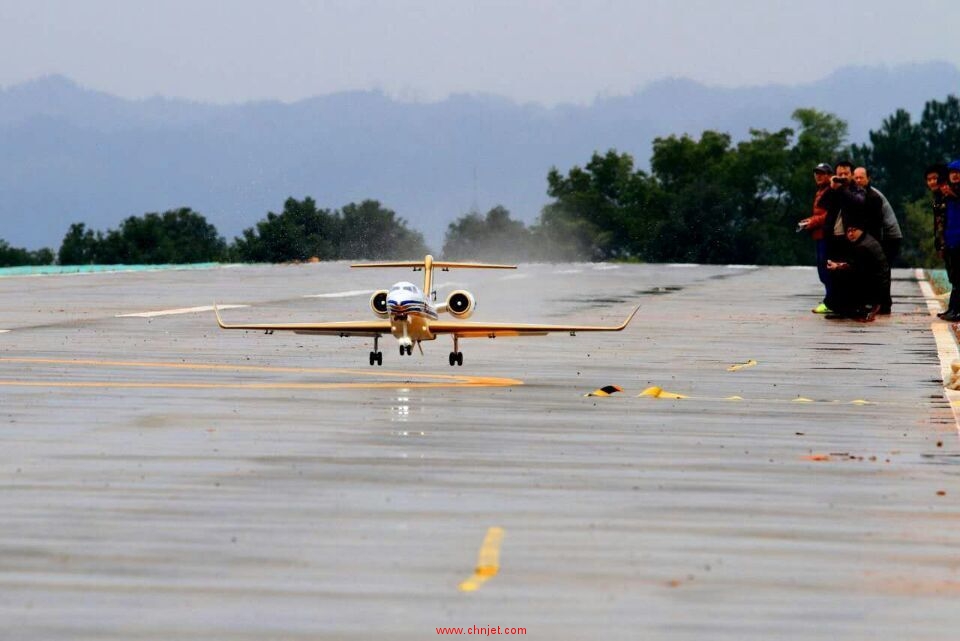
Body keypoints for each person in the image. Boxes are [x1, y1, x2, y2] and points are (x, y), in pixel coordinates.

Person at [852, 167, 902, 313]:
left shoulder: (873, 196)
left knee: (882, 270)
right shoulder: (859, 194)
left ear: (868, 179)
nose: (858, 180)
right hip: (877, 235)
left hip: (889, 236)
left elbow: (875, 224)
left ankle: (884, 305)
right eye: (856, 178)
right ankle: (876, 303)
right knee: (875, 270)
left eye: (861, 177)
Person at [824, 210, 889, 322]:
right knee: (839, 271)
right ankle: (850, 308)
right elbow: (859, 266)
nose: (850, 234)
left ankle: (852, 309)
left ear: (861, 229)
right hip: (877, 288)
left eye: (854, 230)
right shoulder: (866, 241)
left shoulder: (863, 247)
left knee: (838, 275)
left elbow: (857, 271)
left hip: (874, 291)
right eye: (848, 231)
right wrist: (840, 265)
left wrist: (838, 267)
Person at [798, 162, 833, 313]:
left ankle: (831, 302)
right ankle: (829, 299)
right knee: (822, 269)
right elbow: (819, 214)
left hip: (827, 235)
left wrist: (812, 221)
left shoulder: (830, 190)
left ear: (829, 176)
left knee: (827, 269)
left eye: (822, 173)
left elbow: (829, 215)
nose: (818, 176)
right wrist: (809, 221)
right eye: (816, 173)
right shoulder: (820, 191)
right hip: (819, 235)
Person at [818, 160, 865, 268]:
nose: (843, 177)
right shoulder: (834, 189)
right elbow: (822, 204)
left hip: (848, 239)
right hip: (833, 238)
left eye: (846, 174)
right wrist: (831, 188)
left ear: (852, 175)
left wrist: (841, 188)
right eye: (840, 174)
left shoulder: (858, 190)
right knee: (831, 275)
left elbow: (858, 203)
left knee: (846, 273)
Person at [940, 160, 960, 321]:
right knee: (954, 277)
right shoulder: (947, 193)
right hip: (951, 239)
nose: (954, 175)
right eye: (952, 172)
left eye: (957, 172)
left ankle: (956, 310)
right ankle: (952, 308)